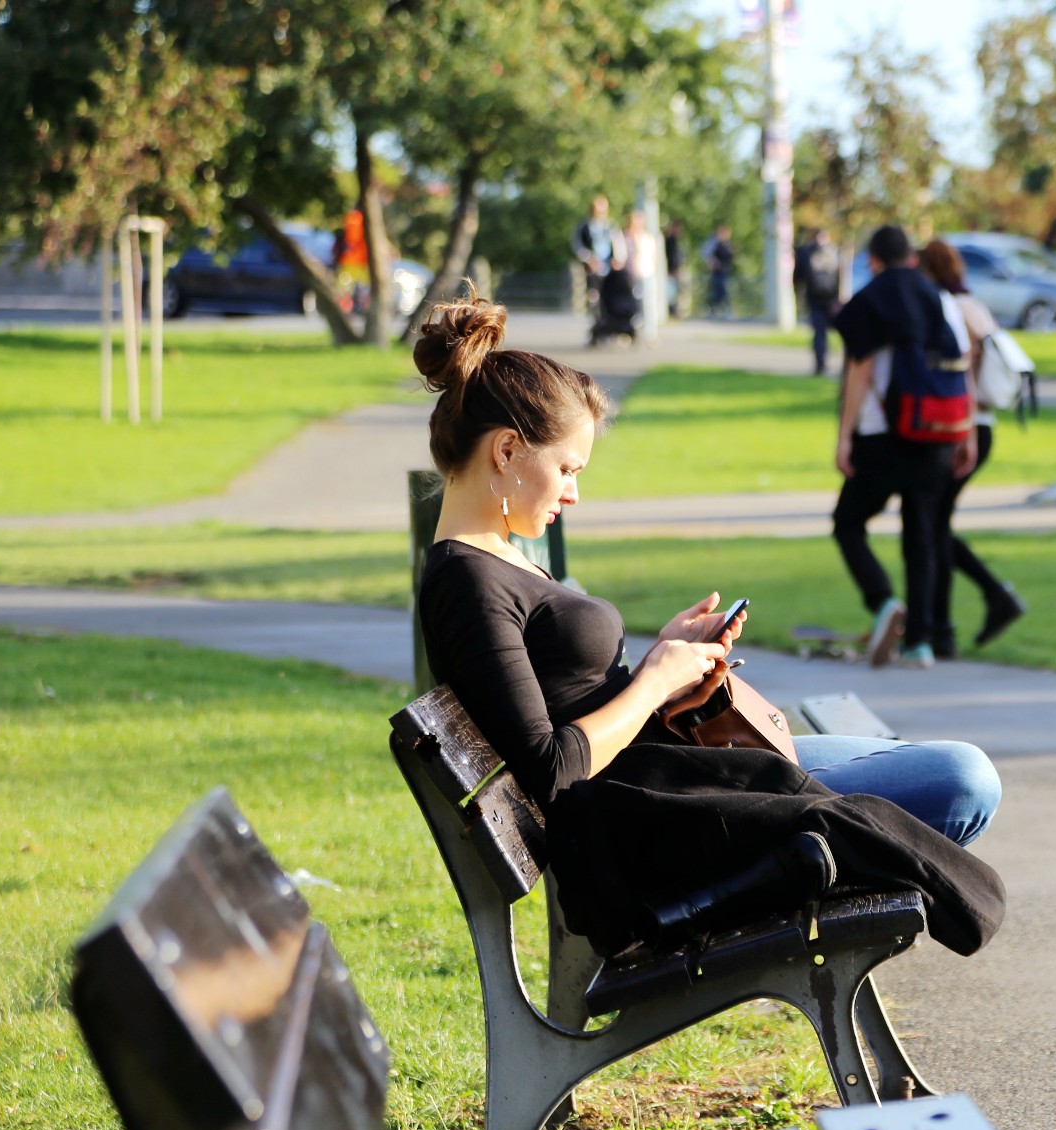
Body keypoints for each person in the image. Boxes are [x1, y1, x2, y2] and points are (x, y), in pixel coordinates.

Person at [412, 287, 1005, 962]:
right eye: (568, 469)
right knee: (965, 779)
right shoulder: (467, 580)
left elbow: (560, 702)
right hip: (666, 824)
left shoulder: (495, 556)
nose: (574, 491)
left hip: (677, 780)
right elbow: (551, 770)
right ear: (508, 451)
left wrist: (661, 665)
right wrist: (652, 682)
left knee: (953, 774)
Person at [831, 225, 972, 670]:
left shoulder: (872, 300)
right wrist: (963, 432)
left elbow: (861, 369)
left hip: (882, 436)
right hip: (936, 434)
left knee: (848, 522)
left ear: (873, 259)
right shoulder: (942, 299)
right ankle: (921, 644)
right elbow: (961, 366)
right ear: (911, 257)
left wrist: (845, 435)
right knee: (922, 536)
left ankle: (883, 601)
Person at [917, 239, 1027, 658]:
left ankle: (989, 599)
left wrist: (964, 434)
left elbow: (961, 368)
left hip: (966, 427)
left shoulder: (952, 308)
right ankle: (948, 626)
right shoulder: (973, 304)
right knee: (937, 527)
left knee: (933, 528)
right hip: (980, 426)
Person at [796, 226, 842, 376]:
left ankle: (820, 362)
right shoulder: (834, 251)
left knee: (819, 332)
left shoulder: (807, 252)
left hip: (815, 298)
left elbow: (798, 277)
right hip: (832, 298)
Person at [570, 196, 623, 318]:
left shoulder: (611, 226)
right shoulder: (585, 226)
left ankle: (610, 320)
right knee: (594, 296)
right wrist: (589, 259)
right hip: (592, 267)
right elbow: (577, 245)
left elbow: (619, 244)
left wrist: (618, 259)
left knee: (611, 295)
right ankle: (597, 322)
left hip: (609, 266)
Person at [620, 209, 657, 335]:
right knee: (632, 304)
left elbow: (652, 255)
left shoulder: (647, 237)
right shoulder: (625, 237)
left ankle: (650, 331)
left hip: (646, 273)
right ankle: (631, 330)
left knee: (648, 304)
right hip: (629, 275)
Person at [701, 224, 735, 318]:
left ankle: (715, 310)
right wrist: (712, 263)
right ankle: (720, 310)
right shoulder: (714, 243)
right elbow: (707, 255)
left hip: (724, 270)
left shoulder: (725, 244)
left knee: (719, 291)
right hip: (717, 271)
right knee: (720, 290)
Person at [665, 221, 689, 319]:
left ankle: (675, 310)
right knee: (671, 291)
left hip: (676, 269)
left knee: (677, 290)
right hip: (671, 270)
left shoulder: (676, 240)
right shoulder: (669, 240)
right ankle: (672, 310)